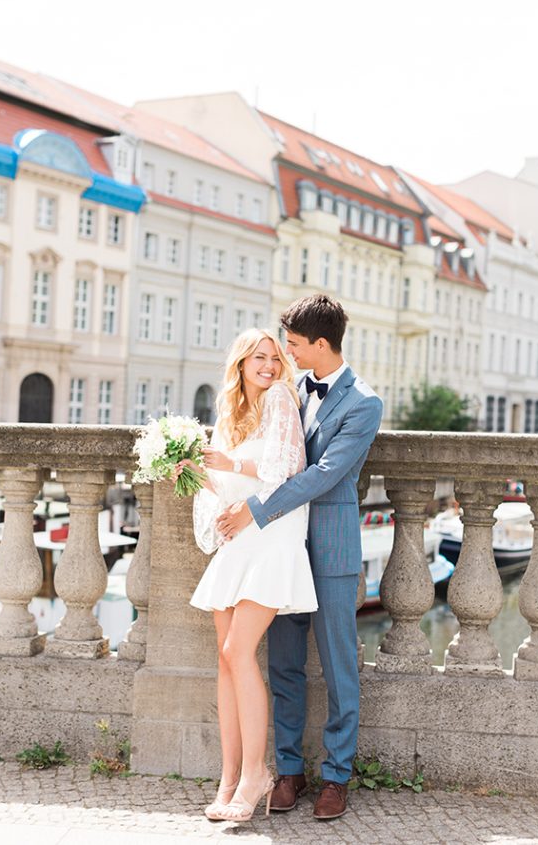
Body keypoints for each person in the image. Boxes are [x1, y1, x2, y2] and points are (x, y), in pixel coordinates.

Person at [217, 294, 383, 821]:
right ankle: (287, 771)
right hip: (281, 549)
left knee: (338, 666)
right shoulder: (286, 390)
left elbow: (322, 474)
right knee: (284, 664)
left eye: (290, 343)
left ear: (320, 344)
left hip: (330, 549)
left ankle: (336, 776)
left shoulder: (363, 403)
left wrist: (255, 511)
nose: (283, 352)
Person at [177, 328, 318, 823]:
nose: (269, 366)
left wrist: (231, 462)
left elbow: (285, 469)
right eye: (259, 358)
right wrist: (197, 474)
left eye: (274, 358)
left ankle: (257, 773)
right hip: (240, 539)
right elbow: (227, 484)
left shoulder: (281, 398)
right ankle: (229, 777)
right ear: (239, 364)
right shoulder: (231, 414)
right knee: (225, 659)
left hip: (272, 534)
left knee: (239, 650)